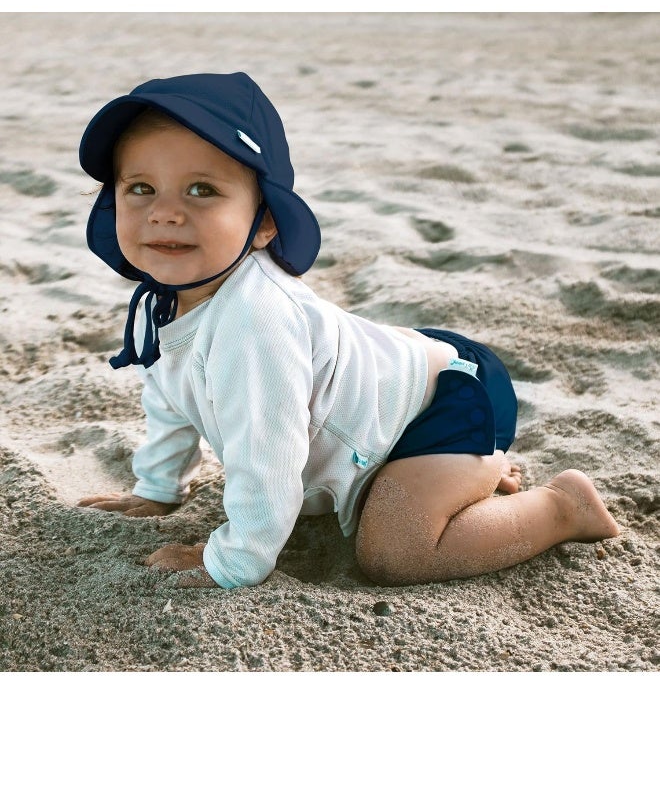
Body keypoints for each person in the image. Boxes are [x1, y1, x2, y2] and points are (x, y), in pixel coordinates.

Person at [77, 72, 620, 589]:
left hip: (436, 408)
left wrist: (234, 560)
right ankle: (460, 480)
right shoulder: (163, 302)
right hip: (386, 385)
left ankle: (559, 506)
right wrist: (158, 488)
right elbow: (170, 395)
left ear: (265, 221)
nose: (165, 213)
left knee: (394, 552)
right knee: (377, 500)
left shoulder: (256, 322)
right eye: (141, 188)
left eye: (201, 190)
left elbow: (270, 454)